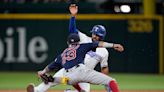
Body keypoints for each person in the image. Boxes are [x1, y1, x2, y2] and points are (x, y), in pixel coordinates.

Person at [27, 4, 124, 92]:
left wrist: (105, 81)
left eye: (97, 35)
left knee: (82, 90)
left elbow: (104, 67)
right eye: (94, 33)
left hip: (85, 74)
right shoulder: (84, 39)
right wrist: (73, 16)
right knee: (52, 80)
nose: (94, 36)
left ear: (101, 37)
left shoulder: (104, 52)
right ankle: (36, 90)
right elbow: (72, 30)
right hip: (70, 68)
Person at [27, 33, 123, 92]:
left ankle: (43, 87)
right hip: (82, 72)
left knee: (57, 80)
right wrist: (113, 45)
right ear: (78, 42)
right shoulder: (82, 46)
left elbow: (51, 66)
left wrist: (43, 72)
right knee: (111, 81)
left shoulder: (62, 54)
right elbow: (100, 44)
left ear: (68, 43)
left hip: (68, 77)